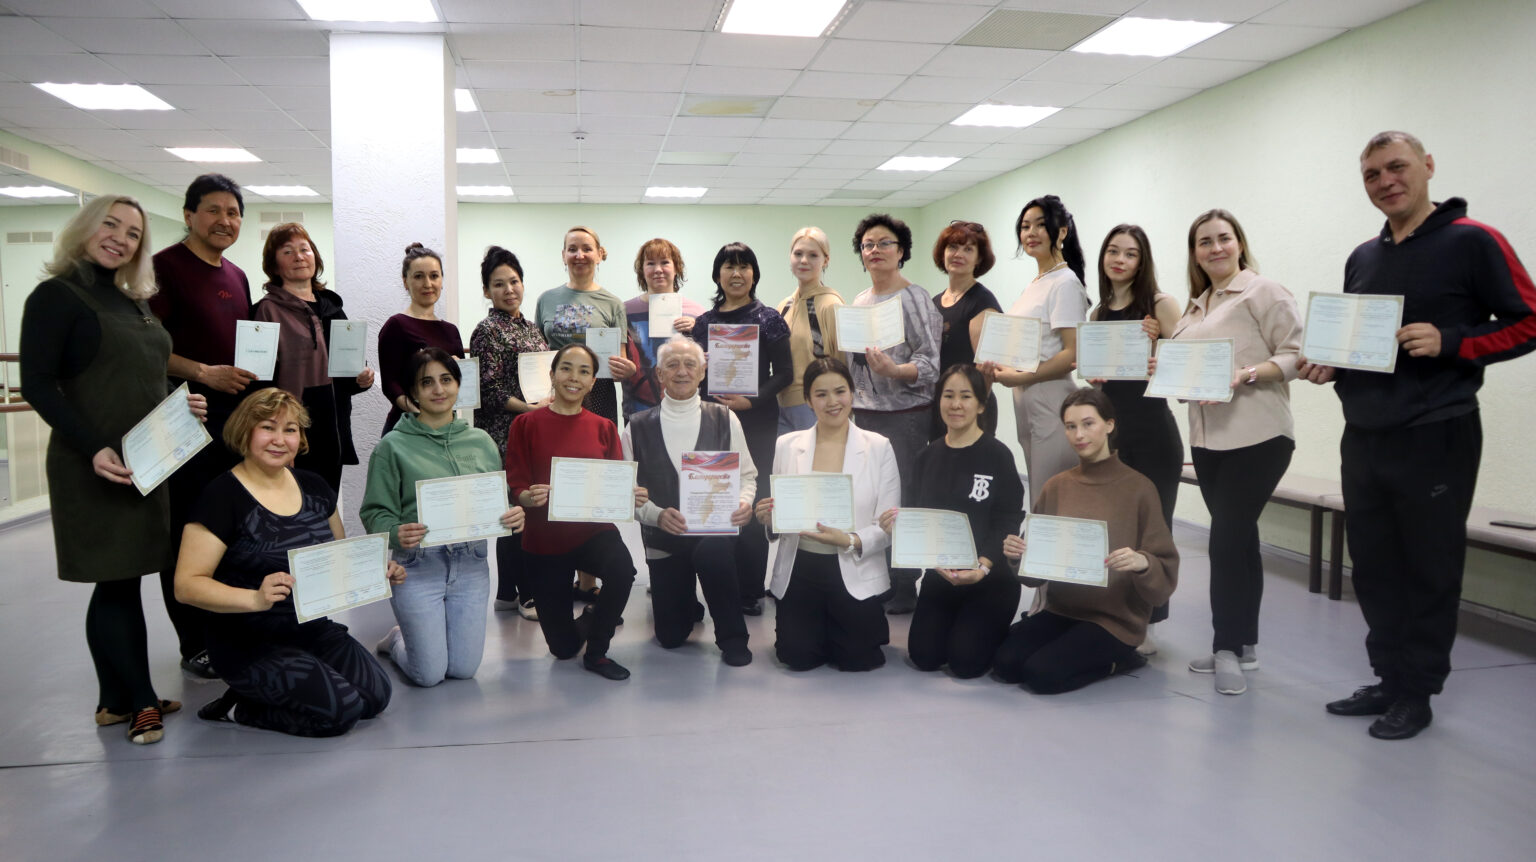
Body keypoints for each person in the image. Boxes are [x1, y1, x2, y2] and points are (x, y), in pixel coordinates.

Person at [1300, 131, 1536, 740]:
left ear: (1427, 166)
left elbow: (1529, 320)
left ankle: (1418, 693)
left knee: (1430, 567)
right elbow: (1363, 344)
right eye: (1372, 174)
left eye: (1396, 167)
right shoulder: (1363, 257)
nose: (1386, 182)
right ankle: (1388, 678)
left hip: (1437, 432)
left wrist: (1453, 341)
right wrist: (1332, 364)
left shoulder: (1474, 240)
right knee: (1374, 566)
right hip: (1365, 434)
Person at [21, 195, 208, 745]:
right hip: (95, 465)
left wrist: (181, 401)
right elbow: (37, 384)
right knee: (119, 580)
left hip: (147, 460)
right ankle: (142, 701)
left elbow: (142, 373)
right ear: (84, 227)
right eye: (110, 225)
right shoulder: (56, 296)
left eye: (132, 233)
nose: (120, 239)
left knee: (119, 579)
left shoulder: (133, 301)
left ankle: (112, 700)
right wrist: (93, 449)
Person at [176, 388, 398, 736]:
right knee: (341, 712)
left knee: (376, 697)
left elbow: (337, 556)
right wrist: (254, 598)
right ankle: (236, 708)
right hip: (248, 641)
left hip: (311, 628)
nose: (280, 439)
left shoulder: (314, 486)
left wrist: (373, 571)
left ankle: (301, 681)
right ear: (245, 431)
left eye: (290, 429)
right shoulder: (221, 496)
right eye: (268, 427)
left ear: (301, 438)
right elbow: (186, 585)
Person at [1168, 209, 1302, 697]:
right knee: (1241, 541)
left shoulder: (1264, 291)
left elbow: (1295, 354)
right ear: (1195, 253)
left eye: (1224, 238)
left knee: (1224, 541)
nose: (1215, 248)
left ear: (1239, 243)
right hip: (1208, 443)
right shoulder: (1195, 307)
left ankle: (1225, 647)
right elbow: (1187, 368)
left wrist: (1245, 374)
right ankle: (1246, 646)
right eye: (1204, 242)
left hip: (1260, 438)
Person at [993, 389, 1178, 693]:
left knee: (1041, 675)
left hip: (1114, 620)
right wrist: (1017, 556)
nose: (1079, 435)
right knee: (1005, 664)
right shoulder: (1056, 486)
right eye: (1070, 426)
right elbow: (1033, 575)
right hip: (1062, 609)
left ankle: (1121, 660)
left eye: (1088, 424)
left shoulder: (1140, 489)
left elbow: (1164, 575)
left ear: (1109, 425)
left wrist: (1143, 563)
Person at [361, 349, 525, 687]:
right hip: (417, 566)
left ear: (458, 385)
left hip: (471, 564)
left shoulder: (481, 441)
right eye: (426, 383)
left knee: (463, 669)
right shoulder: (391, 447)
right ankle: (397, 640)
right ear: (413, 392)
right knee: (428, 675)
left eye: (446, 380)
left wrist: (513, 514)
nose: (438, 389)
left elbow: (497, 499)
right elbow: (374, 512)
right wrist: (394, 532)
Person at [150, 173, 255, 680]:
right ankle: (193, 642)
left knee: (230, 528)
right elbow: (146, 347)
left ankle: (228, 630)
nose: (224, 220)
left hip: (234, 426)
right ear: (189, 215)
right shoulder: (163, 268)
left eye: (233, 213)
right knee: (188, 531)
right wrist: (203, 372)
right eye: (213, 210)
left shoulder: (237, 275)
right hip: (184, 421)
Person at [505, 344, 645, 681]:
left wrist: (630, 495)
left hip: (592, 531)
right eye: (566, 368)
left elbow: (614, 482)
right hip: (544, 540)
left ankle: (597, 652)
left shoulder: (603, 427)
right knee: (563, 648)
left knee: (622, 570)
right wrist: (529, 497)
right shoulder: (525, 423)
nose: (574, 377)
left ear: (593, 381)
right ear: (552, 375)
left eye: (584, 372)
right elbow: (516, 483)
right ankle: (593, 615)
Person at [755, 358, 901, 672]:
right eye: (821, 394)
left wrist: (849, 539)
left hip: (853, 564)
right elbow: (781, 514)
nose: (832, 402)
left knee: (858, 660)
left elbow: (887, 526)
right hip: (801, 566)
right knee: (797, 657)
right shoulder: (787, 445)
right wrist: (769, 518)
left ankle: (858, 625)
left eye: (840, 391)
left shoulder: (878, 447)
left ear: (852, 393)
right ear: (808, 400)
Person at [622, 337, 756, 666]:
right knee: (670, 637)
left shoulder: (725, 418)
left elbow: (747, 476)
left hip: (714, 533)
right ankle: (685, 602)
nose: (682, 372)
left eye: (690, 365)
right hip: (662, 537)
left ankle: (733, 637)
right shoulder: (635, 427)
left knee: (713, 554)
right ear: (659, 374)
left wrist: (743, 503)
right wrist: (655, 514)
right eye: (672, 365)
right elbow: (625, 492)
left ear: (703, 372)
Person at [890, 364, 1024, 679]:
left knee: (966, 663)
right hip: (943, 575)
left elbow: (1008, 518)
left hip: (989, 577)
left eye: (966, 396)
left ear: (981, 405)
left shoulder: (998, 455)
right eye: (948, 396)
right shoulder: (927, 457)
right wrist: (897, 525)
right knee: (924, 656)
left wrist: (983, 567)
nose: (956, 404)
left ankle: (1005, 632)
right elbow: (917, 515)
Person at [1090, 224, 1183, 654]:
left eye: (1130, 254)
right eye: (1113, 251)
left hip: (1153, 434)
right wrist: (1093, 375)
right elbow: (1099, 381)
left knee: (1153, 531)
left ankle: (1149, 622)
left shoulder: (1161, 305)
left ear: (1142, 262)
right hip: (1114, 435)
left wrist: (1158, 346)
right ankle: (1116, 613)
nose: (1120, 260)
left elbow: (1184, 365)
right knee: (1116, 526)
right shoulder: (1098, 315)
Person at [845, 213, 943, 615]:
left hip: (906, 416)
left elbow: (931, 362)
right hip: (865, 416)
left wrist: (895, 370)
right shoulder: (860, 302)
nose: (875, 250)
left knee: (902, 500)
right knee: (872, 499)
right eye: (868, 245)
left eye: (885, 243)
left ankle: (905, 584)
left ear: (901, 251)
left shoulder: (914, 297)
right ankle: (878, 576)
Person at [690, 242, 792, 615]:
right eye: (729, 266)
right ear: (717, 275)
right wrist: (701, 371)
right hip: (714, 421)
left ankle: (750, 590)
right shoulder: (704, 323)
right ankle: (721, 586)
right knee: (716, 499)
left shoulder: (769, 318)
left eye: (744, 266)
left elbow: (785, 373)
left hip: (757, 421)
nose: (736, 273)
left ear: (754, 274)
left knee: (751, 502)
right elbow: (694, 375)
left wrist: (752, 400)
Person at [980, 195, 1087, 510]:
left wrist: (1019, 377)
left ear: (1062, 231)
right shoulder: (1037, 283)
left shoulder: (1065, 283)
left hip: (1049, 396)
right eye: (1025, 226)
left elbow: (1071, 355)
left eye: (1041, 225)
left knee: (1048, 498)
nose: (1031, 233)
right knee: (1040, 495)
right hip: (1025, 397)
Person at [252, 222, 374, 492]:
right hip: (290, 430)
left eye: (304, 249)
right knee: (292, 507)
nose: (299, 257)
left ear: (315, 257)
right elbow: (259, 384)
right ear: (274, 264)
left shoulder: (332, 308)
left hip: (332, 429)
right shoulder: (266, 311)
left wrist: (361, 378)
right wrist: (274, 435)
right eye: (288, 252)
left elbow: (345, 372)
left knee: (325, 504)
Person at [468, 245, 549, 620]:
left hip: (535, 429)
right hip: (506, 432)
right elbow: (488, 389)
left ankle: (506, 593)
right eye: (499, 284)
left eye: (514, 281)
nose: (509, 289)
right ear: (487, 291)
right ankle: (527, 594)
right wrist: (530, 410)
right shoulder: (486, 331)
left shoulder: (531, 329)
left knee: (523, 509)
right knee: (518, 511)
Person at [534, 226, 632, 426]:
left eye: (587, 249)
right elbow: (537, 353)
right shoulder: (546, 300)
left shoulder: (613, 304)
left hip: (598, 395)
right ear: (564, 255)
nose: (579, 255)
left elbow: (618, 363)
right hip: (555, 394)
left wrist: (626, 370)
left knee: (593, 445)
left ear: (599, 254)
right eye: (572, 249)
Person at [377, 242, 463, 435]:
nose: (428, 284)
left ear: (442, 280)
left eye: (434, 276)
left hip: (445, 427)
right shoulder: (396, 325)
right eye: (418, 276)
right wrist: (421, 414)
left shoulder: (451, 331)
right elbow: (390, 385)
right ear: (405, 281)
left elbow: (460, 384)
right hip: (409, 428)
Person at [929, 220, 1002, 438]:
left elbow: (985, 371)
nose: (958, 254)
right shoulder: (934, 303)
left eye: (968, 249)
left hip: (971, 409)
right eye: (952, 247)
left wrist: (972, 407)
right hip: (941, 405)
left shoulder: (982, 302)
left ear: (979, 259)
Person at [621, 238, 703, 418]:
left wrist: (698, 329)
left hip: (687, 412)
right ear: (642, 270)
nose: (658, 269)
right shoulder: (624, 311)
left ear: (676, 268)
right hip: (637, 413)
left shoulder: (697, 313)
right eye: (650, 263)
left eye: (665, 262)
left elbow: (705, 363)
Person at [775, 227, 843, 434]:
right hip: (780, 407)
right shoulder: (784, 306)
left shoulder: (831, 305)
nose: (804, 260)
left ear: (826, 260)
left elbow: (842, 363)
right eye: (798, 254)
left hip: (815, 406)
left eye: (813, 255)